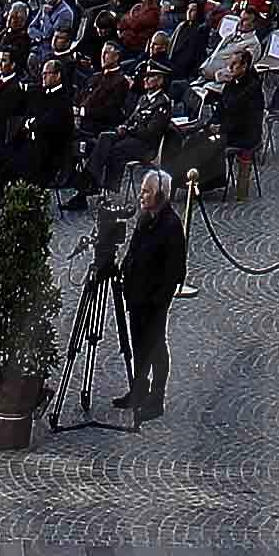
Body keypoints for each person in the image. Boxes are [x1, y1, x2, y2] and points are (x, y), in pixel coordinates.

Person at [113, 164, 188, 419]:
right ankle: (138, 389)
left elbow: (175, 270)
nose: (141, 195)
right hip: (137, 295)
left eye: (147, 191)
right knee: (138, 344)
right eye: (142, 190)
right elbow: (133, 251)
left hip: (154, 301)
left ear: (161, 195)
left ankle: (156, 398)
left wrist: (157, 300)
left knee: (155, 346)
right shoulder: (145, 218)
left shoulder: (171, 226)